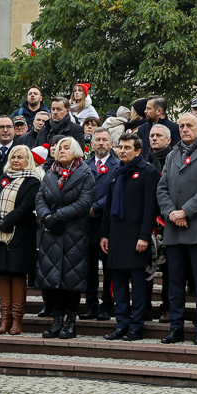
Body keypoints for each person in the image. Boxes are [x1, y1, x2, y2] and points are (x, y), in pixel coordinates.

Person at [156, 112, 197, 345]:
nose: (184, 129)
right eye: (182, 125)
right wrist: (172, 214)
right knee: (174, 281)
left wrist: (185, 211)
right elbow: (162, 189)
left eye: (189, 126)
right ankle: (176, 326)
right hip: (175, 229)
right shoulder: (172, 155)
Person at [100, 133, 160, 341]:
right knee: (118, 284)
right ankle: (122, 323)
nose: (123, 151)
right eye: (120, 147)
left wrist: (144, 236)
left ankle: (137, 325)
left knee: (138, 284)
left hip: (136, 237)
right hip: (116, 236)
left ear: (137, 151)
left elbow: (150, 209)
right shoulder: (116, 172)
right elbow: (108, 207)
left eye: (127, 148)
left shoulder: (148, 172)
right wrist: (104, 234)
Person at [35, 137, 96, 340]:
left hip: (74, 233)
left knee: (71, 280)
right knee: (53, 280)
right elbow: (40, 198)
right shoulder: (50, 173)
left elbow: (84, 202)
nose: (61, 150)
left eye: (66, 147)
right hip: (52, 233)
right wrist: (46, 217)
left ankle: (70, 323)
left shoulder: (85, 173)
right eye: (59, 147)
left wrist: (58, 216)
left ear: (76, 150)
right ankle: (56, 321)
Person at [0, 145, 42, 336]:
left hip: (20, 236)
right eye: (13, 157)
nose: (16, 160)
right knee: (2, 275)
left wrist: (7, 222)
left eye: (21, 157)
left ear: (29, 161)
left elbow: (27, 206)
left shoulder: (33, 182)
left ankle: (17, 320)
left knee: (17, 276)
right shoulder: (1, 180)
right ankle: (4, 319)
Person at [83, 127, 119, 320]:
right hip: (87, 224)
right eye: (98, 140)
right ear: (92, 144)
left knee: (109, 268)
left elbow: (116, 192)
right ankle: (90, 305)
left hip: (107, 224)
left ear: (111, 144)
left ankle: (107, 305)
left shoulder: (118, 165)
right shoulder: (83, 165)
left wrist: (97, 207)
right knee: (89, 269)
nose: (101, 143)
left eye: (105, 140)